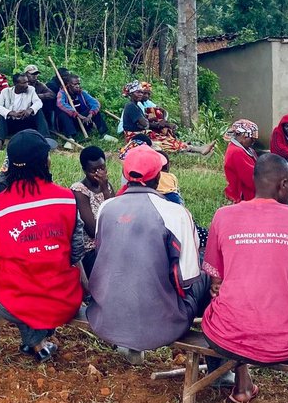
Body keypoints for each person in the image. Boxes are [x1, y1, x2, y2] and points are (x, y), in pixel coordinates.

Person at [201, 153, 288, 403]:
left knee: (232, 294)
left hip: (223, 337)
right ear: (284, 185)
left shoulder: (223, 215)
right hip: (280, 344)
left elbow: (215, 279)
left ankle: (242, 386)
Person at [86, 145, 209, 361]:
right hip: (161, 327)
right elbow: (187, 278)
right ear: (159, 176)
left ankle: (128, 343)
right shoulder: (176, 213)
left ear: (125, 175)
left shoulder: (107, 208)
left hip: (106, 318)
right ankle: (221, 368)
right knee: (207, 272)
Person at [0, 130, 83, 362]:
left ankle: (36, 341)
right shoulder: (67, 198)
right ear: (43, 162)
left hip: (10, 300)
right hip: (62, 300)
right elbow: (76, 252)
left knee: (6, 286)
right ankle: (38, 341)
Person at [71, 146, 113, 274]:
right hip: (92, 250)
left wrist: (105, 189)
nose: (99, 174)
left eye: (102, 168)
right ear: (84, 170)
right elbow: (92, 230)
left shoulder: (106, 185)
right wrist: (105, 190)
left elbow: (117, 216)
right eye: (93, 171)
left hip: (109, 244)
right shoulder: (79, 190)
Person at [0, 72, 47, 146]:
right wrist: (11, 113)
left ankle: (46, 139)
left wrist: (29, 110)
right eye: (23, 83)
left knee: (38, 111)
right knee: (2, 114)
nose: (26, 85)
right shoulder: (5, 92)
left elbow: (38, 103)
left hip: (26, 122)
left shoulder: (31, 89)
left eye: (27, 82)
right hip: (11, 124)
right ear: (15, 83)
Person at [55, 75, 111, 139]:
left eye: (79, 84)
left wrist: (90, 114)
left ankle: (104, 134)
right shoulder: (62, 93)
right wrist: (77, 115)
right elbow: (61, 104)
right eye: (75, 84)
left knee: (95, 111)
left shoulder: (82, 93)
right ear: (69, 84)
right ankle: (71, 137)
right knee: (63, 114)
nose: (77, 86)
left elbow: (95, 103)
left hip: (83, 121)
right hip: (70, 123)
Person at [223, 119, 263, 204]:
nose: (253, 141)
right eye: (251, 138)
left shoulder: (246, 149)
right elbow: (250, 179)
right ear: (242, 136)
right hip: (242, 197)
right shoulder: (237, 152)